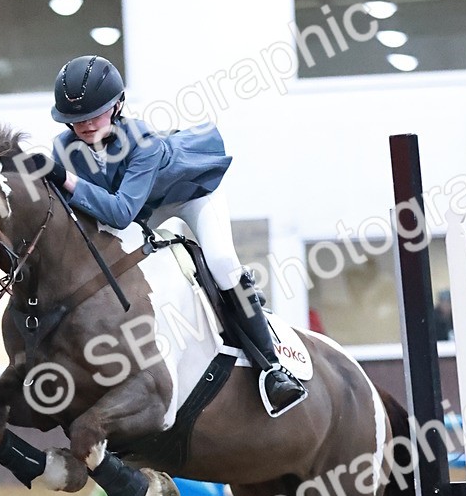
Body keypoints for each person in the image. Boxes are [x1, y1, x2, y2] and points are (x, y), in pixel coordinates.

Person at [48, 54, 307, 416]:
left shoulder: (143, 143)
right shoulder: (64, 148)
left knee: (220, 261)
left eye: (94, 114)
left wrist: (65, 179)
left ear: (117, 106)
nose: (85, 125)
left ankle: (272, 367)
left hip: (190, 197)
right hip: (143, 210)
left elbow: (121, 213)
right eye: (75, 120)